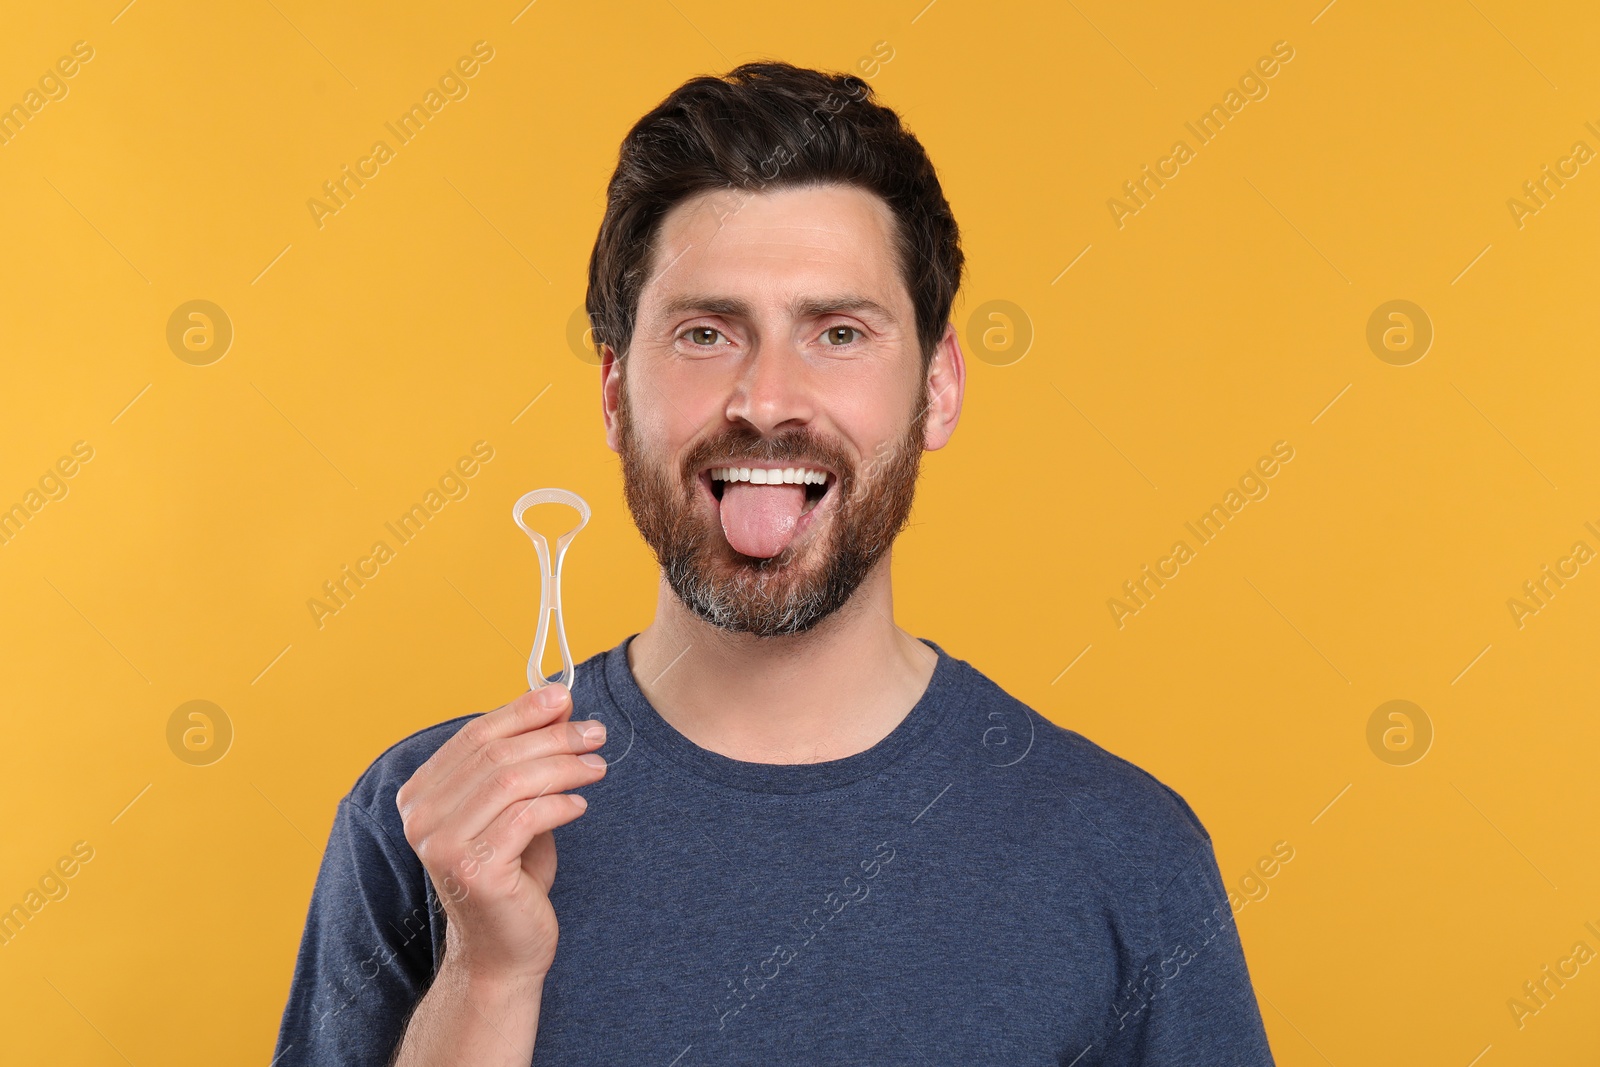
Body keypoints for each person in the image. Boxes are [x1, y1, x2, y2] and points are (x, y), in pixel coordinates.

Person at [271, 60, 1277, 1066]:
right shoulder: (426, 821)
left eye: (838, 332)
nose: (766, 397)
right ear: (615, 394)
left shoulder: (1125, 851)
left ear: (937, 387)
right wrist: (485, 977)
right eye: (705, 333)